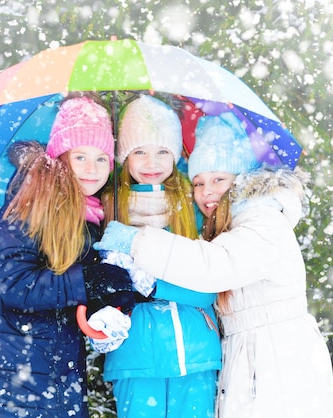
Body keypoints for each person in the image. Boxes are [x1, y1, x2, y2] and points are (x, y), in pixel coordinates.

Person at [95, 112, 333, 417]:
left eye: (219, 179)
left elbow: (214, 267)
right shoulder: (230, 226)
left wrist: (135, 242)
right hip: (249, 358)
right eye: (198, 182)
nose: (206, 192)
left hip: (276, 361)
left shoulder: (262, 220)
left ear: (243, 178)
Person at [0, 94, 135, 417]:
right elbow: (17, 285)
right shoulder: (33, 198)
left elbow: (61, 283)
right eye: (80, 157)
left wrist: (106, 298)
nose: (92, 170)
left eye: (101, 159)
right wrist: (89, 282)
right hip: (11, 369)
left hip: (49, 371)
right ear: (60, 156)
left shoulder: (86, 214)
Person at [99, 94, 222, 418]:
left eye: (162, 151)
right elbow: (106, 285)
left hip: (194, 350)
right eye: (139, 151)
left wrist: (152, 285)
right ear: (124, 157)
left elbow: (208, 287)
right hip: (135, 353)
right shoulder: (110, 209)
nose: (151, 163)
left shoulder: (191, 209)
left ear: (175, 155)